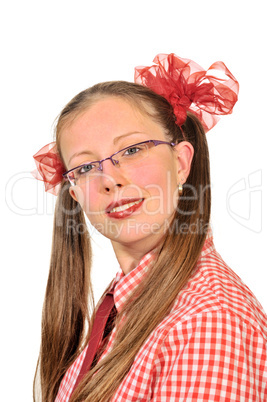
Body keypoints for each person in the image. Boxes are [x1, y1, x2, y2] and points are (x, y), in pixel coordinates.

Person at [32, 54, 267, 401]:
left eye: (132, 150)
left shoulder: (207, 324)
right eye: (85, 168)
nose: (109, 179)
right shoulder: (122, 306)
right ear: (76, 193)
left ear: (182, 162)